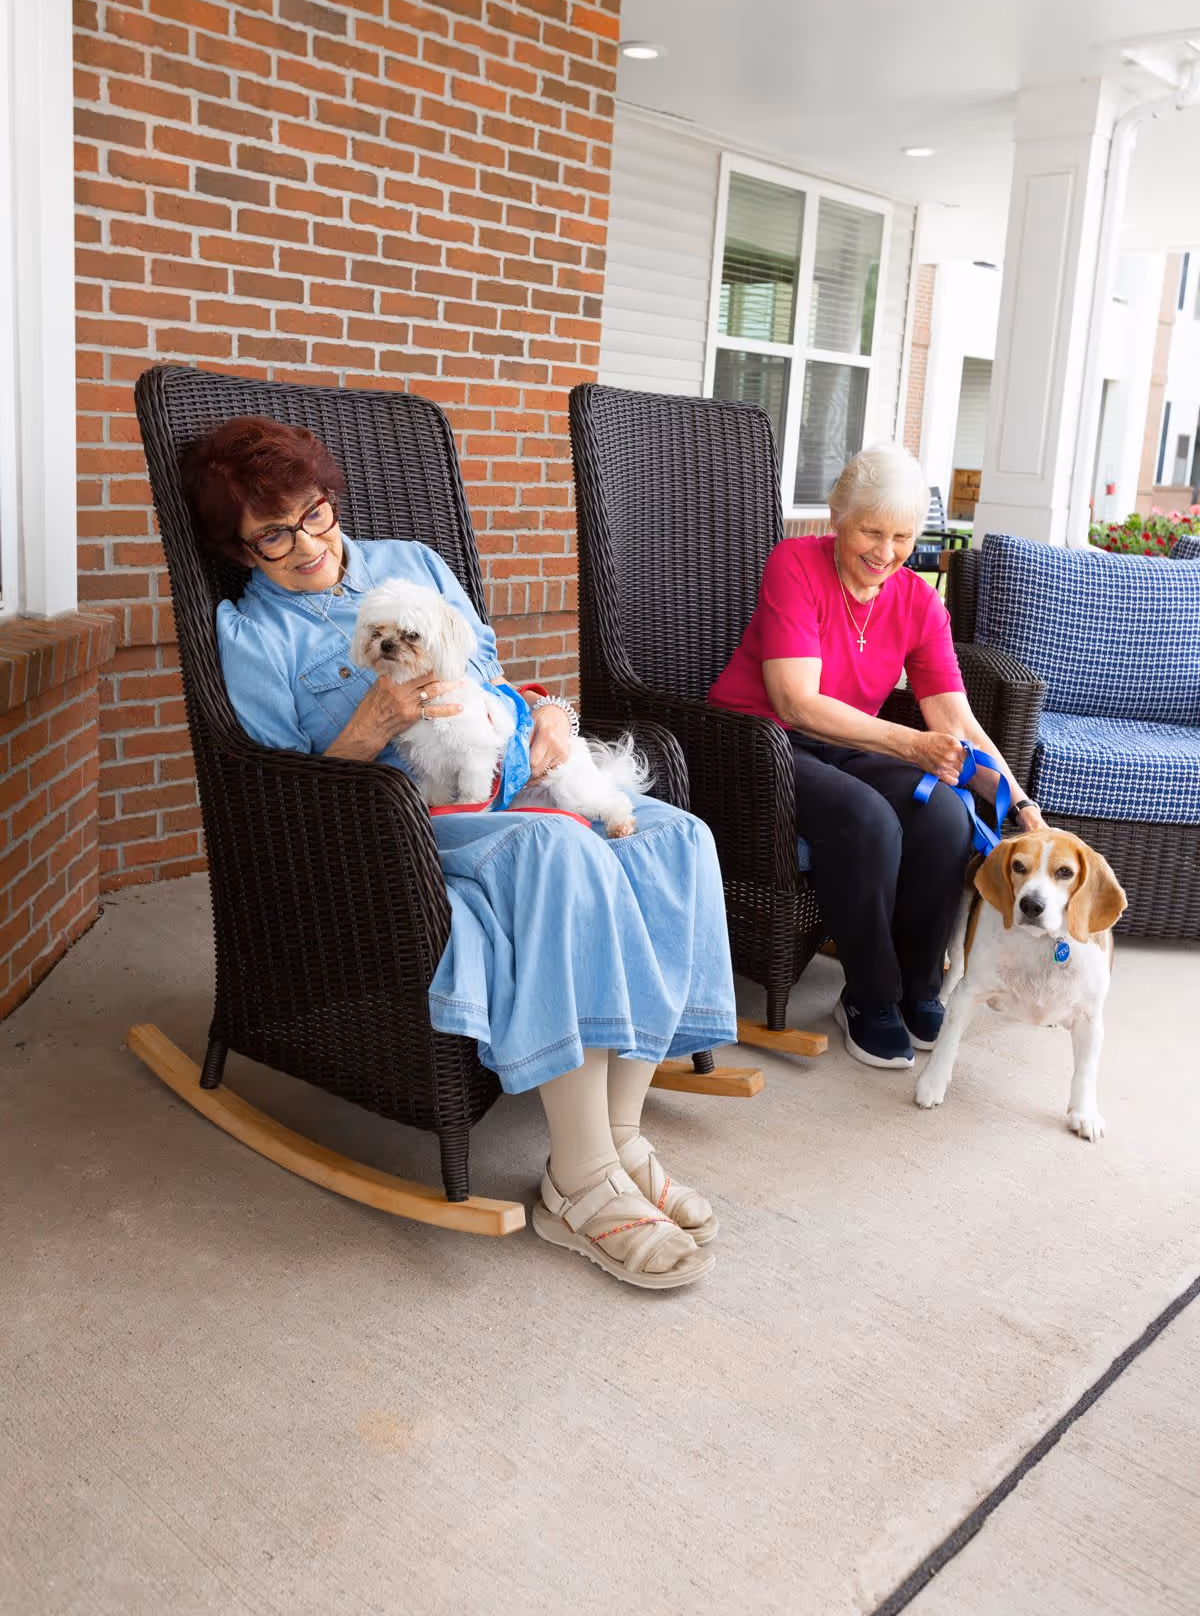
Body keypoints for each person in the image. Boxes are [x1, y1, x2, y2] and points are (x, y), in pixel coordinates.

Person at [181, 416, 737, 1290]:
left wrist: (553, 712)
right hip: (403, 823)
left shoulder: (414, 561)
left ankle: (623, 1132)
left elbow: (494, 677)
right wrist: (363, 732)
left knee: (675, 837)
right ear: (241, 549)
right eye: (274, 534)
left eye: (315, 514)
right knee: (562, 852)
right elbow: (276, 791)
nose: (307, 544)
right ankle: (579, 1181)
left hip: (509, 770)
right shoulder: (254, 634)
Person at [708, 441, 1044, 1070]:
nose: (885, 553)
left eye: (902, 537)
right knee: (867, 819)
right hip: (754, 744)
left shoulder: (918, 600)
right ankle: (870, 997)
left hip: (843, 744)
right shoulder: (795, 564)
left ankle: (918, 984)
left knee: (944, 812)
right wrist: (911, 744)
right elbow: (796, 702)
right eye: (870, 530)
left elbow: (955, 718)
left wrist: (1018, 799)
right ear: (838, 516)